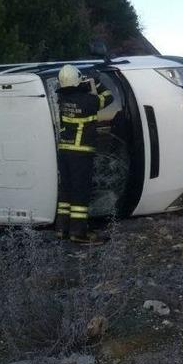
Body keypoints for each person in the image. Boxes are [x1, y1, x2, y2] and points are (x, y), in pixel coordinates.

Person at [55, 64, 114, 244]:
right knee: (80, 192)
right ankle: (78, 232)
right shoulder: (88, 101)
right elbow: (108, 97)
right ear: (78, 80)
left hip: (64, 151)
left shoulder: (62, 99)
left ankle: (62, 228)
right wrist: (97, 81)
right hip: (80, 154)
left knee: (66, 191)